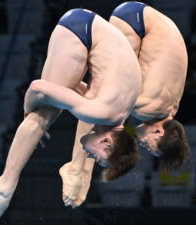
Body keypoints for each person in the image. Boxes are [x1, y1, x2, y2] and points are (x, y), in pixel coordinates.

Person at [0, 8, 142, 224]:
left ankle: (8, 180)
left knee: (55, 101)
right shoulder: (101, 112)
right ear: (107, 141)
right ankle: (6, 185)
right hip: (80, 31)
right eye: (97, 158)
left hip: (91, 30)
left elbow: (78, 88)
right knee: (44, 113)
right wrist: (29, 114)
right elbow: (37, 88)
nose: (90, 157)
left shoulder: (119, 113)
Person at [61, 1, 191, 208]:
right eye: (150, 147)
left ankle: (80, 168)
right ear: (158, 132)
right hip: (135, 23)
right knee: (100, 107)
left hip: (145, 20)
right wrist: (83, 166)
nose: (144, 147)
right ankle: (79, 171)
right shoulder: (149, 109)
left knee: (105, 99)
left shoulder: (169, 108)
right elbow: (96, 108)